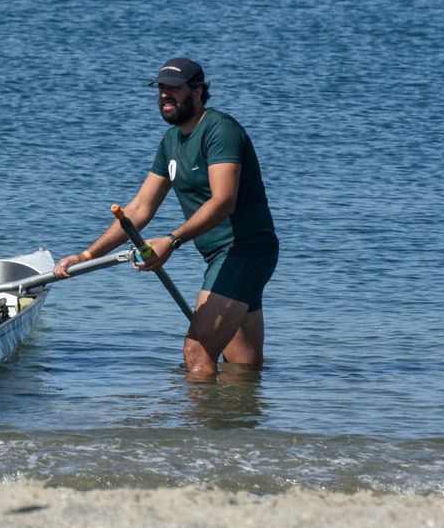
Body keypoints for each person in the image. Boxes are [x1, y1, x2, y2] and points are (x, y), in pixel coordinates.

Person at [54, 58, 278, 378]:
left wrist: (171, 241)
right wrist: (87, 255)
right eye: (160, 88)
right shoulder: (171, 142)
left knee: (197, 351)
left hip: (244, 251)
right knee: (243, 368)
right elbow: (139, 209)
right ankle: (242, 425)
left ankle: (192, 430)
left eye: (174, 88)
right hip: (221, 256)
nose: (164, 95)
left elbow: (224, 200)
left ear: (199, 91)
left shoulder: (220, 131)